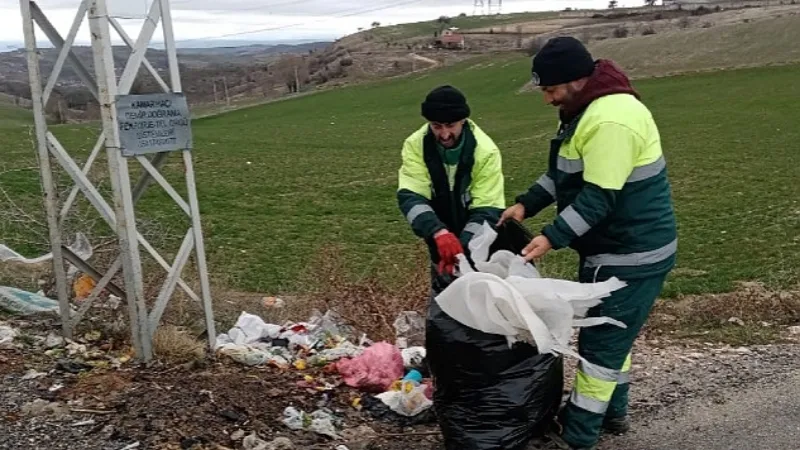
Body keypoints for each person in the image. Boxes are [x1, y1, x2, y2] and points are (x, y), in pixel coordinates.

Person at [500, 37, 677, 450]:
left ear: (577, 80)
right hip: (613, 248)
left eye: (550, 90)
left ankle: (577, 433)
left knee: (599, 349)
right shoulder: (582, 111)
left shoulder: (610, 122)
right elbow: (565, 174)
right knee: (615, 337)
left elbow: (598, 197)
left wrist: (551, 237)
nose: (546, 99)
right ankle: (614, 414)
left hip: (631, 253)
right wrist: (526, 205)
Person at [397, 85, 505, 293]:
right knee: (444, 303)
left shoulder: (485, 151)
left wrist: (461, 251)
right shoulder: (415, 145)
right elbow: (411, 196)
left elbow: (487, 208)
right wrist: (437, 232)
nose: (445, 134)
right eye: (437, 126)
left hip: (477, 245)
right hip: (438, 239)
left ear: (463, 121)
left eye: (450, 125)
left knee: (478, 301)